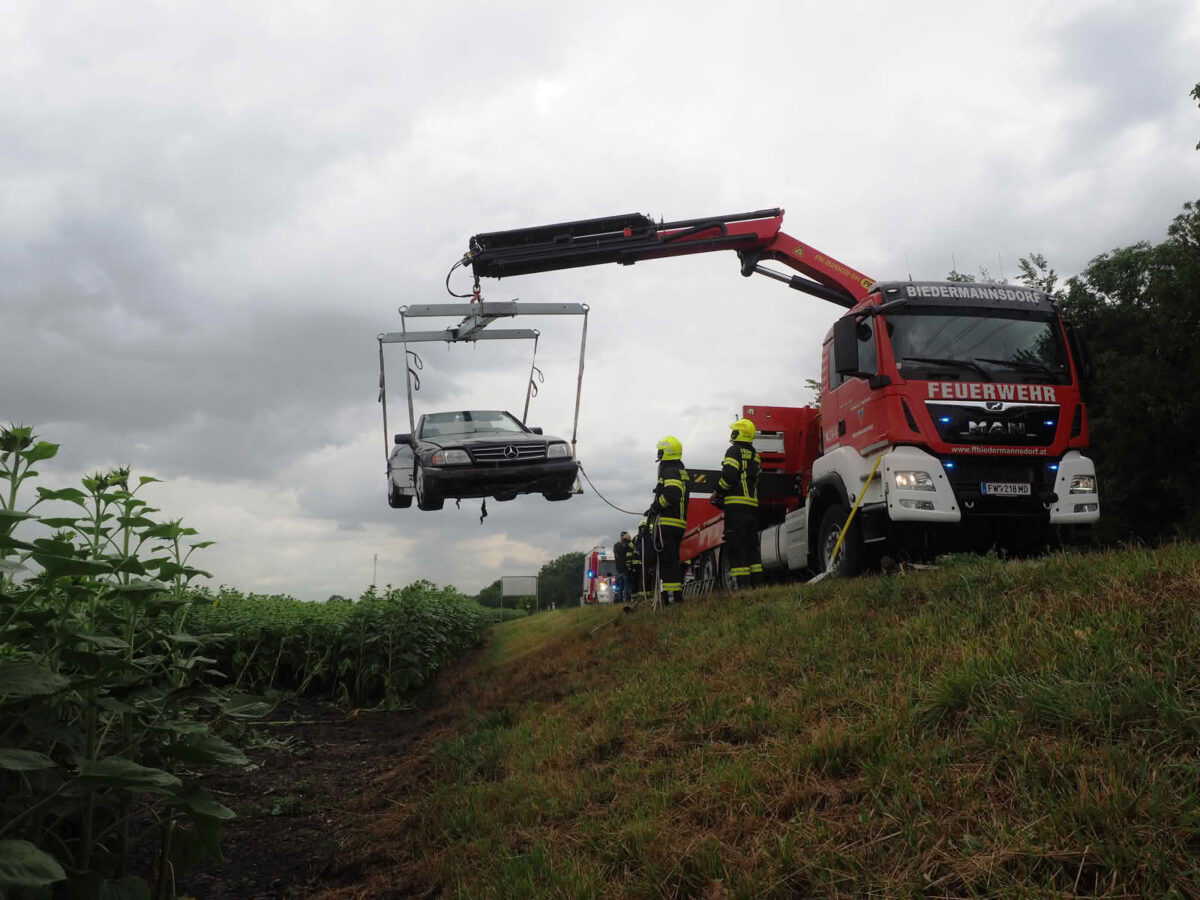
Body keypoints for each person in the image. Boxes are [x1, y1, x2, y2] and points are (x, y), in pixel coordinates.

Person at [711, 417, 762, 589]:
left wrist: (718, 492)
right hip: (752, 507)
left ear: (738, 433)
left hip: (736, 508)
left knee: (736, 546)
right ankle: (756, 585)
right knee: (751, 546)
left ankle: (742, 586)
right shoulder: (755, 454)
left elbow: (730, 477)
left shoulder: (733, 451)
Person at [646, 435, 690, 606]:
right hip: (676, 522)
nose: (659, 453)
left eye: (661, 450)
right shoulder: (679, 469)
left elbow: (672, 494)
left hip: (669, 522)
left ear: (667, 452)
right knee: (671, 559)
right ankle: (671, 595)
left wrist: (656, 507)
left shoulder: (670, 470)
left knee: (667, 561)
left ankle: (672, 597)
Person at [613, 530, 634, 605]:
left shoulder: (616, 546)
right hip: (625, 568)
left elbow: (616, 555)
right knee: (626, 584)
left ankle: (620, 599)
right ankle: (627, 599)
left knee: (620, 585)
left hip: (618, 568)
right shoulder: (628, 546)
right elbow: (629, 556)